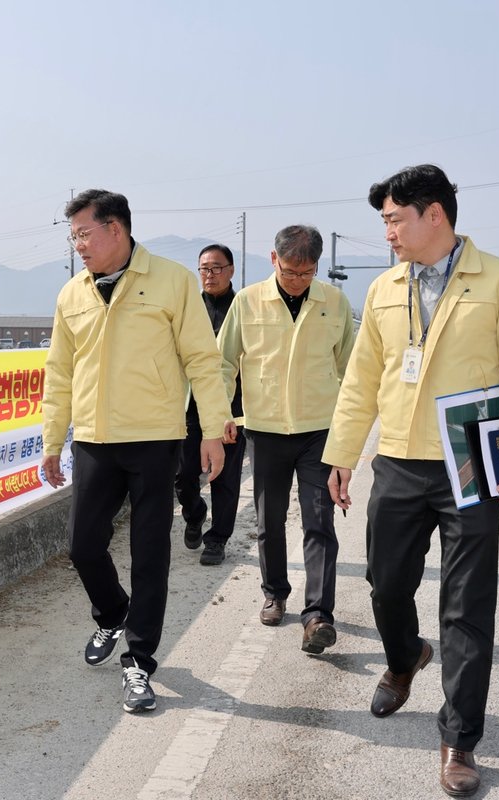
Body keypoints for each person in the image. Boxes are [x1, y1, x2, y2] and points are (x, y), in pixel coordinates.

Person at [322, 164, 499, 797]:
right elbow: (362, 378)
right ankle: (404, 658)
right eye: (385, 222)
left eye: (395, 220)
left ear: (435, 215)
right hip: (398, 457)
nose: (388, 233)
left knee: (467, 603)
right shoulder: (383, 288)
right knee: (385, 583)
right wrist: (342, 455)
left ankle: (459, 738)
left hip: (470, 462)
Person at [41, 189, 233, 715]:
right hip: (94, 440)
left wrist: (212, 430)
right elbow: (59, 372)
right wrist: (52, 441)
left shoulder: (171, 281)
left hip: (155, 439)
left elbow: (202, 359)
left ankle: (139, 662)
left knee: (150, 555)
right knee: (83, 546)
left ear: (116, 229)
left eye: (84, 234)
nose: (78, 245)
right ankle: (112, 613)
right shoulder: (72, 294)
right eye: (73, 237)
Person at [216, 225, 354, 654]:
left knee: (320, 521)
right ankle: (274, 592)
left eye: (307, 272)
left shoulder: (334, 302)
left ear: (318, 267)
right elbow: (223, 362)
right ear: (274, 260)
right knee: (269, 521)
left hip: (320, 430)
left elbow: (351, 369)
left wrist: (350, 433)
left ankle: (318, 616)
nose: (298, 280)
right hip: (266, 429)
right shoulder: (247, 301)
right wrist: (220, 414)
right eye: (290, 271)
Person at [176, 244, 247, 566]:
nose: (210, 274)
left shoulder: (244, 308)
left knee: (225, 476)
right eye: (204, 268)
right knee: (183, 474)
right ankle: (194, 513)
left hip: (233, 406)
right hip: (192, 404)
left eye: (217, 267)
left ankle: (217, 539)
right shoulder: (188, 308)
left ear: (231, 270)